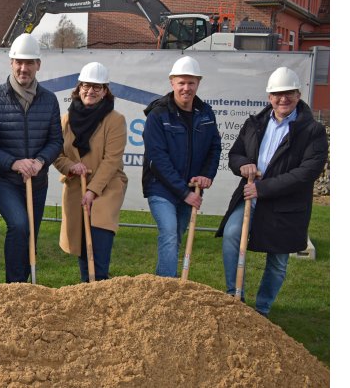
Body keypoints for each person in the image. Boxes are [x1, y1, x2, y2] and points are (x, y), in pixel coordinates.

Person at [216, 67, 328, 317]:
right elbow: (235, 154)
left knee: (277, 260)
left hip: (286, 205)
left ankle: (262, 309)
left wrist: (262, 188)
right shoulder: (254, 123)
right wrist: (243, 164)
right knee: (232, 236)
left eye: (289, 93)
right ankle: (235, 295)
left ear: (298, 95)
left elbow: (306, 173)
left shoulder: (312, 131)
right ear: (269, 97)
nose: (283, 99)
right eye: (277, 94)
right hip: (250, 197)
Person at [0, 33, 63, 283]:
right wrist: (14, 163)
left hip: (36, 183)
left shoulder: (49, 100)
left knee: (30, 236)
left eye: (29, 62)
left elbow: (56, 141)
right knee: (18, 225)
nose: (23, 68)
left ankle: (25, 291)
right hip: (4, 180)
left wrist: (39, 161)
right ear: (11, 62)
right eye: (19, 62)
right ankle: (13, 287)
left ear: (38, 64)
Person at [142, 56, 221, 278]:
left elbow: (215, 147)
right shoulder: (158, 115)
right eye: (181, 82)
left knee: (176, 234)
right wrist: (184, 193)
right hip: (161, 187)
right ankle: (169, 286)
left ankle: (162, 283)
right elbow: (157, 159)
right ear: (172, 83)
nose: (186, 88)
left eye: (191, 82)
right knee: (168, 232)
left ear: (198, 83)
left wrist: (206, 175)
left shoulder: (206, 113)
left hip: (191, 188)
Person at [53, 62, 128, 282]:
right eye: (86, 85)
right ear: (78, 88)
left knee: (98, 243)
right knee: (82, 247)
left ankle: (101, 291)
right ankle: (87, 292)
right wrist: (71, 167)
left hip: (106, 189)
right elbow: (57, 155)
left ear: (105, 91)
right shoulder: (66, 120)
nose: (90, 91)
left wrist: (93, 191)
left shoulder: (115, 120)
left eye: (97, 87)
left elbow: (111, 160)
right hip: (77, 187)